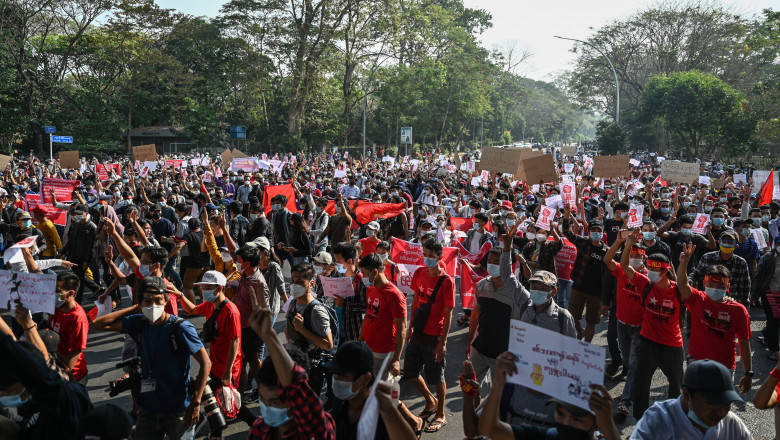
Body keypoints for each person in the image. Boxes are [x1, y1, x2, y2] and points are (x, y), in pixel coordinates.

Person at [92, 276, 211, 440]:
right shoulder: (138, 323)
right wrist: (133, 308)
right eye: (147, 301)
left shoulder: (181, 328)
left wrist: (196, 403)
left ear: (165, 301)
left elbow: (206, 363)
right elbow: (98, 324)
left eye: (158, 300)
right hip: (148, 409)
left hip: (177, 409)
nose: (153, 305)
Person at [177, 270, 255, 437]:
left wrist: (228, 371)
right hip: (214, 363)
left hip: (228, 366)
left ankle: (254, 425)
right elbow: (192, 309)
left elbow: (235, 341)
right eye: (203, 287)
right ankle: (218, 432)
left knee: (229, 403)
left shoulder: (231, 311)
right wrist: (179, 295)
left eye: (207, 287)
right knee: (213, 399)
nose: (203, 291)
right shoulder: (209, 306)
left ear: (219, 288)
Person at [477, 350, 620, 440]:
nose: (565, 423)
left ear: (596, 425)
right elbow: (489, 429)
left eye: (577, 420)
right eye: (560, 413)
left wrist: (608, 427)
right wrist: (499, 384)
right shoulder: (549, 435)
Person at [620, 230, 684, 420]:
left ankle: (674, 419)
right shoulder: (645, 283)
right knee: (641, 386)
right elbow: (624, 265)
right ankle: (642, 421)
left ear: (665, 271)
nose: (650, 273)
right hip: (647, 343)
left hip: (672, 345)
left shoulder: (679, 291)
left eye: (655, 270)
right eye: (649, 268)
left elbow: (702, 300)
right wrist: (628, 245)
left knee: (676, 386)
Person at [246, 305, 336, 440]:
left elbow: (298, 385)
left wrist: (270, 337)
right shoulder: (260, 428)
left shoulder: (314, 429)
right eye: (263, 400)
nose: (267, 407)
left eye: (275, 401)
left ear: (294, 399)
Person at [0, 318, 93, 440]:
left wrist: (28, 326)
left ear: (27, 381)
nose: (2, 395)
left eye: (8, 392)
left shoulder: (64, 402)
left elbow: (40, 372)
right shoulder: (30, 403)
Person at [677, 243, 753, 390]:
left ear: (727, 287)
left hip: (724, 367)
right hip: (696, 362)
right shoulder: (698, 299)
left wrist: (748, 373)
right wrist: (684, 263)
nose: (715, 289)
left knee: (720, 409)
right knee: (694, 405)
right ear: (704, 283)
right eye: (711, 284)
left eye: (720, 286)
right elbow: (682, 284)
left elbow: (744, 342)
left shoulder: (738, 310)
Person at [404, 239, 455, 433]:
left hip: (434, 336)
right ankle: (430, 401)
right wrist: (410, 328)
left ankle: (440, 413)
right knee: (410, 372)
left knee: (437, 377)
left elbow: (449, 312)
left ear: (440, 257)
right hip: (418, 333)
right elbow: (416, 300)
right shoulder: (419, 273)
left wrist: (442, 343)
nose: (427, 259)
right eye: (425, 254)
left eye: (431, 256)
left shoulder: (447, 281)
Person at [630, 359, 752, 439]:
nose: (721, 412)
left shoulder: (733, 425)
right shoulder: (658, 420)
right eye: (712, 401)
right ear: (686, 394)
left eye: (727, 403)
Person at [325, 341, 418, 440]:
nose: (337, 380)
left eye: (344, 376)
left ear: (365, 379)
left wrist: (390, 411)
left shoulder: (381, 413)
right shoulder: (340, 403)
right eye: (335, 374)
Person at [603, 234, 646, 417]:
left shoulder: (646, 277)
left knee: (634, 365)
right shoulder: (620, 270)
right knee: (629, 362)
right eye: (631, 255)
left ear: (644, 258)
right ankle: (636, 386)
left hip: (639, 327)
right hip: (622, 323)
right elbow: (607, 259)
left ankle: (626, 401)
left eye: (638, 256)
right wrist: (620, 242)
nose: (634, 258)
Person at [562, 203, 607, 342]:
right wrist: (567, 215)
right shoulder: (583, 243)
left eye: (598, 230)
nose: (596, 233)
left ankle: (585, 347)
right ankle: (579, 332)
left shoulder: (607, 251)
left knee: (591, 323)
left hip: (596, 293)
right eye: (593, 230)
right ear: (589, 231)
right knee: (572, 317)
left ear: (602, 232)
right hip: (579, 287)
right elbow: (566, 232)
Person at [358, 253, 407, 379]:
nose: (362, 277)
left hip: (384, 352)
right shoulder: (371, 289)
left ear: (375, 272)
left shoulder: (394, 295)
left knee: (383, 390)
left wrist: (396, 359)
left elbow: (402, 328)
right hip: (369, 347)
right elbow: (368, 315)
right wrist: (361, 338)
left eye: (364, 274)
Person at [48, 272, 90, 385]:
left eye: (57, 291)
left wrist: (64, 376)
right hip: (56, 367)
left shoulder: (77, 318)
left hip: (73, 375)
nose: (52, 294)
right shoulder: (57, 308)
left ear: (70, 293)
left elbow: (76, 351)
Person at [332, 241, 367, 342]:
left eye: (339, 261)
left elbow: (367, 307)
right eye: (335, 261)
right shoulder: (336, 276)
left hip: (352, 332)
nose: (336, 264)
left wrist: (345, 304)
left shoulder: (361, 281)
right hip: (335, 331)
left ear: (349, 262)